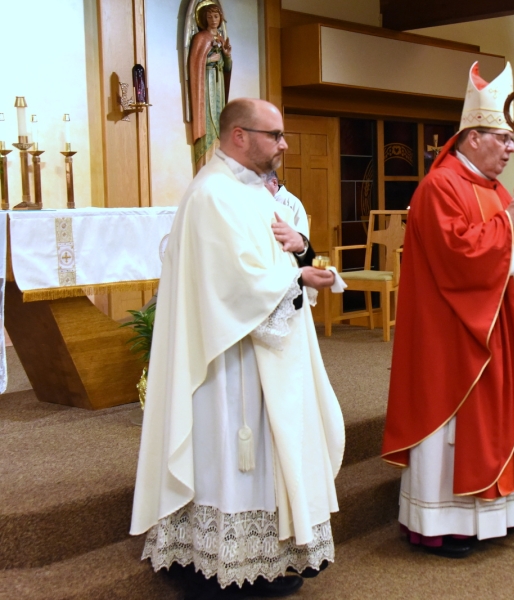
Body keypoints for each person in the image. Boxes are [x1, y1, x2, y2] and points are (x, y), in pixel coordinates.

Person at [131, 98, 347, 598]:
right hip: (229, 355)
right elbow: (235, 284)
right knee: (231, 453)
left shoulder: (249, 191)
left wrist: (299, 262)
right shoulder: (212, 195)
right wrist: (296, 276)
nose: (284, 145)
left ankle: (262, 558)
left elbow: (268, 262)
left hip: (261, 347)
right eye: (275, 135)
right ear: (239, 136)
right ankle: (221, 566)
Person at [381, 62, 514, 559]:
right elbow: (458, 256)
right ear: (472, 138)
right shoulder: (440, 187)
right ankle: (444, 524)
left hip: (497, 329)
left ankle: (489, 516)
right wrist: (509, 224)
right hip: (453, 333)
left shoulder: (498, 189)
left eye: (512, 143)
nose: (511, 150)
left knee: (493, 422)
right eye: (503, 141)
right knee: (456, 428)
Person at [188, 2, 232, 171]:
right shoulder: (200, 38)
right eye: (209, 16)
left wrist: (226, 57)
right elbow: (194, 64)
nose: (213, 20)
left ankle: (219, 163)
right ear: (203, 19)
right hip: (205, 86)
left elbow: (227, 68)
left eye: (216, 16)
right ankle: (206, 164)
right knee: (209, 122)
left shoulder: (221, 40)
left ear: (220, 19)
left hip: (218, 84)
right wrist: (207, 60)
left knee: (220, 123)